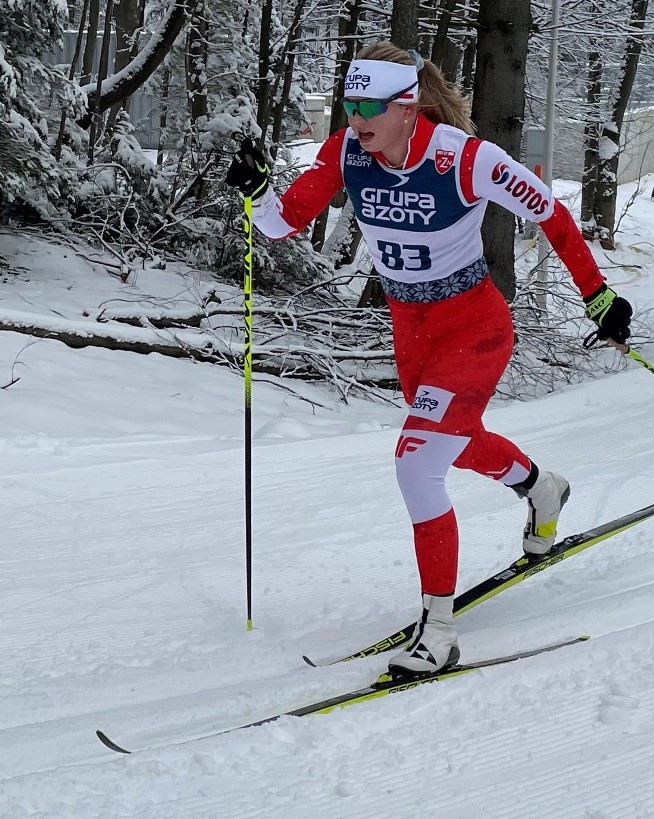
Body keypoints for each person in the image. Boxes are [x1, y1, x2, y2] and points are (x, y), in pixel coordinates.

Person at [227, 42, 632, 677]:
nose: (355, 117)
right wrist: (257, 193)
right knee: (451, 443)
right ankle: (540, 486)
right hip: (410, 329)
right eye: (349, 103)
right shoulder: (346, 152)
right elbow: (283, 222)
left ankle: (438, 629)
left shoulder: (464, 159)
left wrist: (598, 295)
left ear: (406, 104)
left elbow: (549, 212)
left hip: (473, 327)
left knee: (417, 464)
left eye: (369, 105)